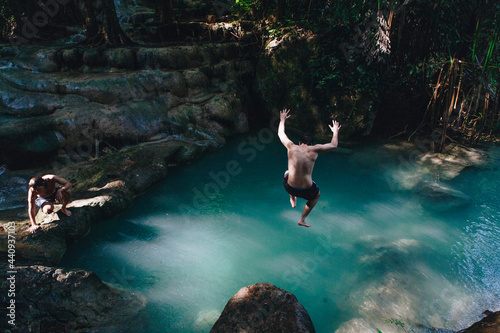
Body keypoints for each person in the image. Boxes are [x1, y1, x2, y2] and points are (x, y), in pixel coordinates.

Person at [278, 109, 341, 227]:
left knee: (287, 172)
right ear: (311, 144)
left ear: (299, 142)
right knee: (317, 195)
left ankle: (292, 198)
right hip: (306, 190)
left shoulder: (291, 146)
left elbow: (281, 134)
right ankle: (302, 219)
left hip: (289, 187)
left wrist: (282, 120)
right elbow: (334, 145)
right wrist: (335, 131)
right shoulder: (315, 149)